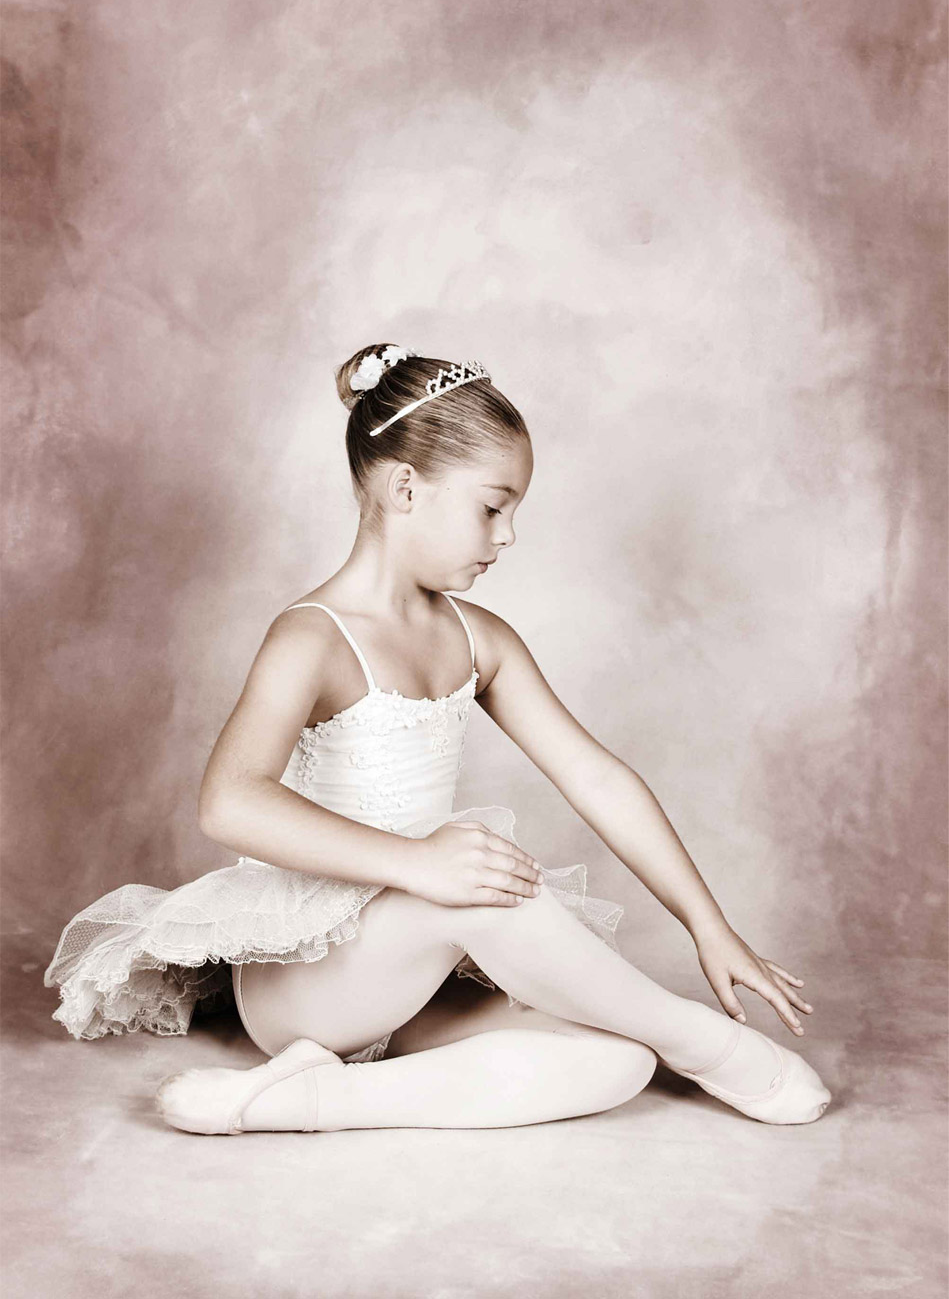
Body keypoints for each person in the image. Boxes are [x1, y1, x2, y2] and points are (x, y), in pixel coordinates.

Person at [45, 343, 832, 1135]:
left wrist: (707, 924)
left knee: (617, 1060)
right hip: (304, 977)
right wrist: (417, 862)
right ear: (404, 489)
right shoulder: (312, 637)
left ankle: (296, 1100)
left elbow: (595, 777)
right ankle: (705, 1043)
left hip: (410, 968)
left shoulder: (480, 637)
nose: (508, 534)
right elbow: (230, 801)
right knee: (484, 878)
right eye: (492, 507)